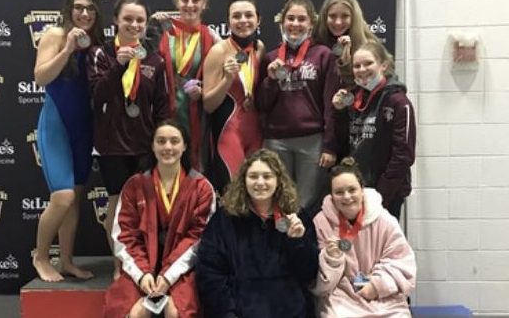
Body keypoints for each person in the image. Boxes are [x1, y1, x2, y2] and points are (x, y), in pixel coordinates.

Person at [87, 0, 170, 279]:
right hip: (111, 145)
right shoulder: (101, 53)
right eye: (128, 19)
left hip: (145, 144)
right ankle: (119, 265)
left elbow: (161, 106)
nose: (134, 24)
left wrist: (161, 143)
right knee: (117, 204)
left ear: (146, 24)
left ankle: (144, 262)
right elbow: (97, 99)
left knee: (147, 206)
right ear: (115, 21)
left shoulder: (154, 59)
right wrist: (118, 66)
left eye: (140, 20)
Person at [103, 120, 216, 318]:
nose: (168, 147)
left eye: (174, 141)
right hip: (142, 266)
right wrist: (142, 274)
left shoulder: (201, 187)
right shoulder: (134, 185)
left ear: (184, 146)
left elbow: (199, 238)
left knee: (177, 311)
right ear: (153, 146)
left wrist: (168, 275)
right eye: (161, 141)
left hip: (184, 269)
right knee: (133, 312)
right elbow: (124, 236)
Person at [32, 0, 104, 282]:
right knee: (61, 197)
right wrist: (67, 50)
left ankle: (67, 260)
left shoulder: (96, 43)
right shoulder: (56, 36)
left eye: (89, 8)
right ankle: (40, 256)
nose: (84, 13)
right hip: (56, 126)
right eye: (78, 7)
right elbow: (40, 77)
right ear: (68, 10)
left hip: (83, 129)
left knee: (74, 198)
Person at [196, 148, 319, 318]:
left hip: (290, 311)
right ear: (243, 181)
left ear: (278, 181)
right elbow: (210, 273)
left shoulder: (296, 216)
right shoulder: (224, 219)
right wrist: (227, 314)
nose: (260, 182)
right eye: (253, 176)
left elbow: (309, 274)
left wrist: (298, 242)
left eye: (267, 176)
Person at [255, 0, 339, 217]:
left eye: (301, 19)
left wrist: (330, 144)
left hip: (311, 141)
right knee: (277, 200)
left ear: (311, 24)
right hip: (276, 141)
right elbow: (261, 105)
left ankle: (302, 250)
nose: (295, 24)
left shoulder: (323, 55)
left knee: (307, 203)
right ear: (282, 23)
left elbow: (330, 103)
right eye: (290, 18)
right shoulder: (271, 57)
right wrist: (271, 80)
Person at [312, 157, 416, 317]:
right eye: (339, 192)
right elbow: (317, 282)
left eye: (352, 190)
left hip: (383, 297)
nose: (346, 197)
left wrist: (376, 286)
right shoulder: (321, 222)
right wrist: (331, 260)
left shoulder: (384, 220)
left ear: (362, 189)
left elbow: (401, 261)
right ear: (332, 196)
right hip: (342, 296)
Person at [331, 40, 416, 220]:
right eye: (357, 66)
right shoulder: (353, 99)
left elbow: (403, 154)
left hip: (386, 192)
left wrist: (382, 193)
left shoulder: (398, 102)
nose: (362, 69)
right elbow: (345, 141)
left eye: (368, 63)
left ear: (383, 65)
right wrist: (339, 113)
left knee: (382, 245)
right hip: (357, 188)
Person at [152, 0, 219, 170]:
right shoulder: (163, 33)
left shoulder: (212, 37)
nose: (190, 5)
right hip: (167, 111)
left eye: (195, 0)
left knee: (197, 165)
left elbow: (225, 77)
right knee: (167, 167)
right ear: (177, 2)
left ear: (204, 3)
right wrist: (151, 27)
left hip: (198, 114)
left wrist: (204, 90)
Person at [202, 0, 264, 194]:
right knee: (234, 195)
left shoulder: (259, 48)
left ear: (258, 19)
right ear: (228, 21)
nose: (243, 20)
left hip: (255, 131)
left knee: (258, 193)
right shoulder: (218, 51)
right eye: (236, 16)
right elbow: (208, 105)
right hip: (229, 132)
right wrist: (227, 78)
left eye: (248, 15)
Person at [313, 0, 378, 85]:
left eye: (345, 16)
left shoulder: (369, 46)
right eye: (332, 16)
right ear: (324, 16)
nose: (338, 22)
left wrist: (346, 63)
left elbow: (370, 85)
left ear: (354, 17)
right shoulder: (314, 44)